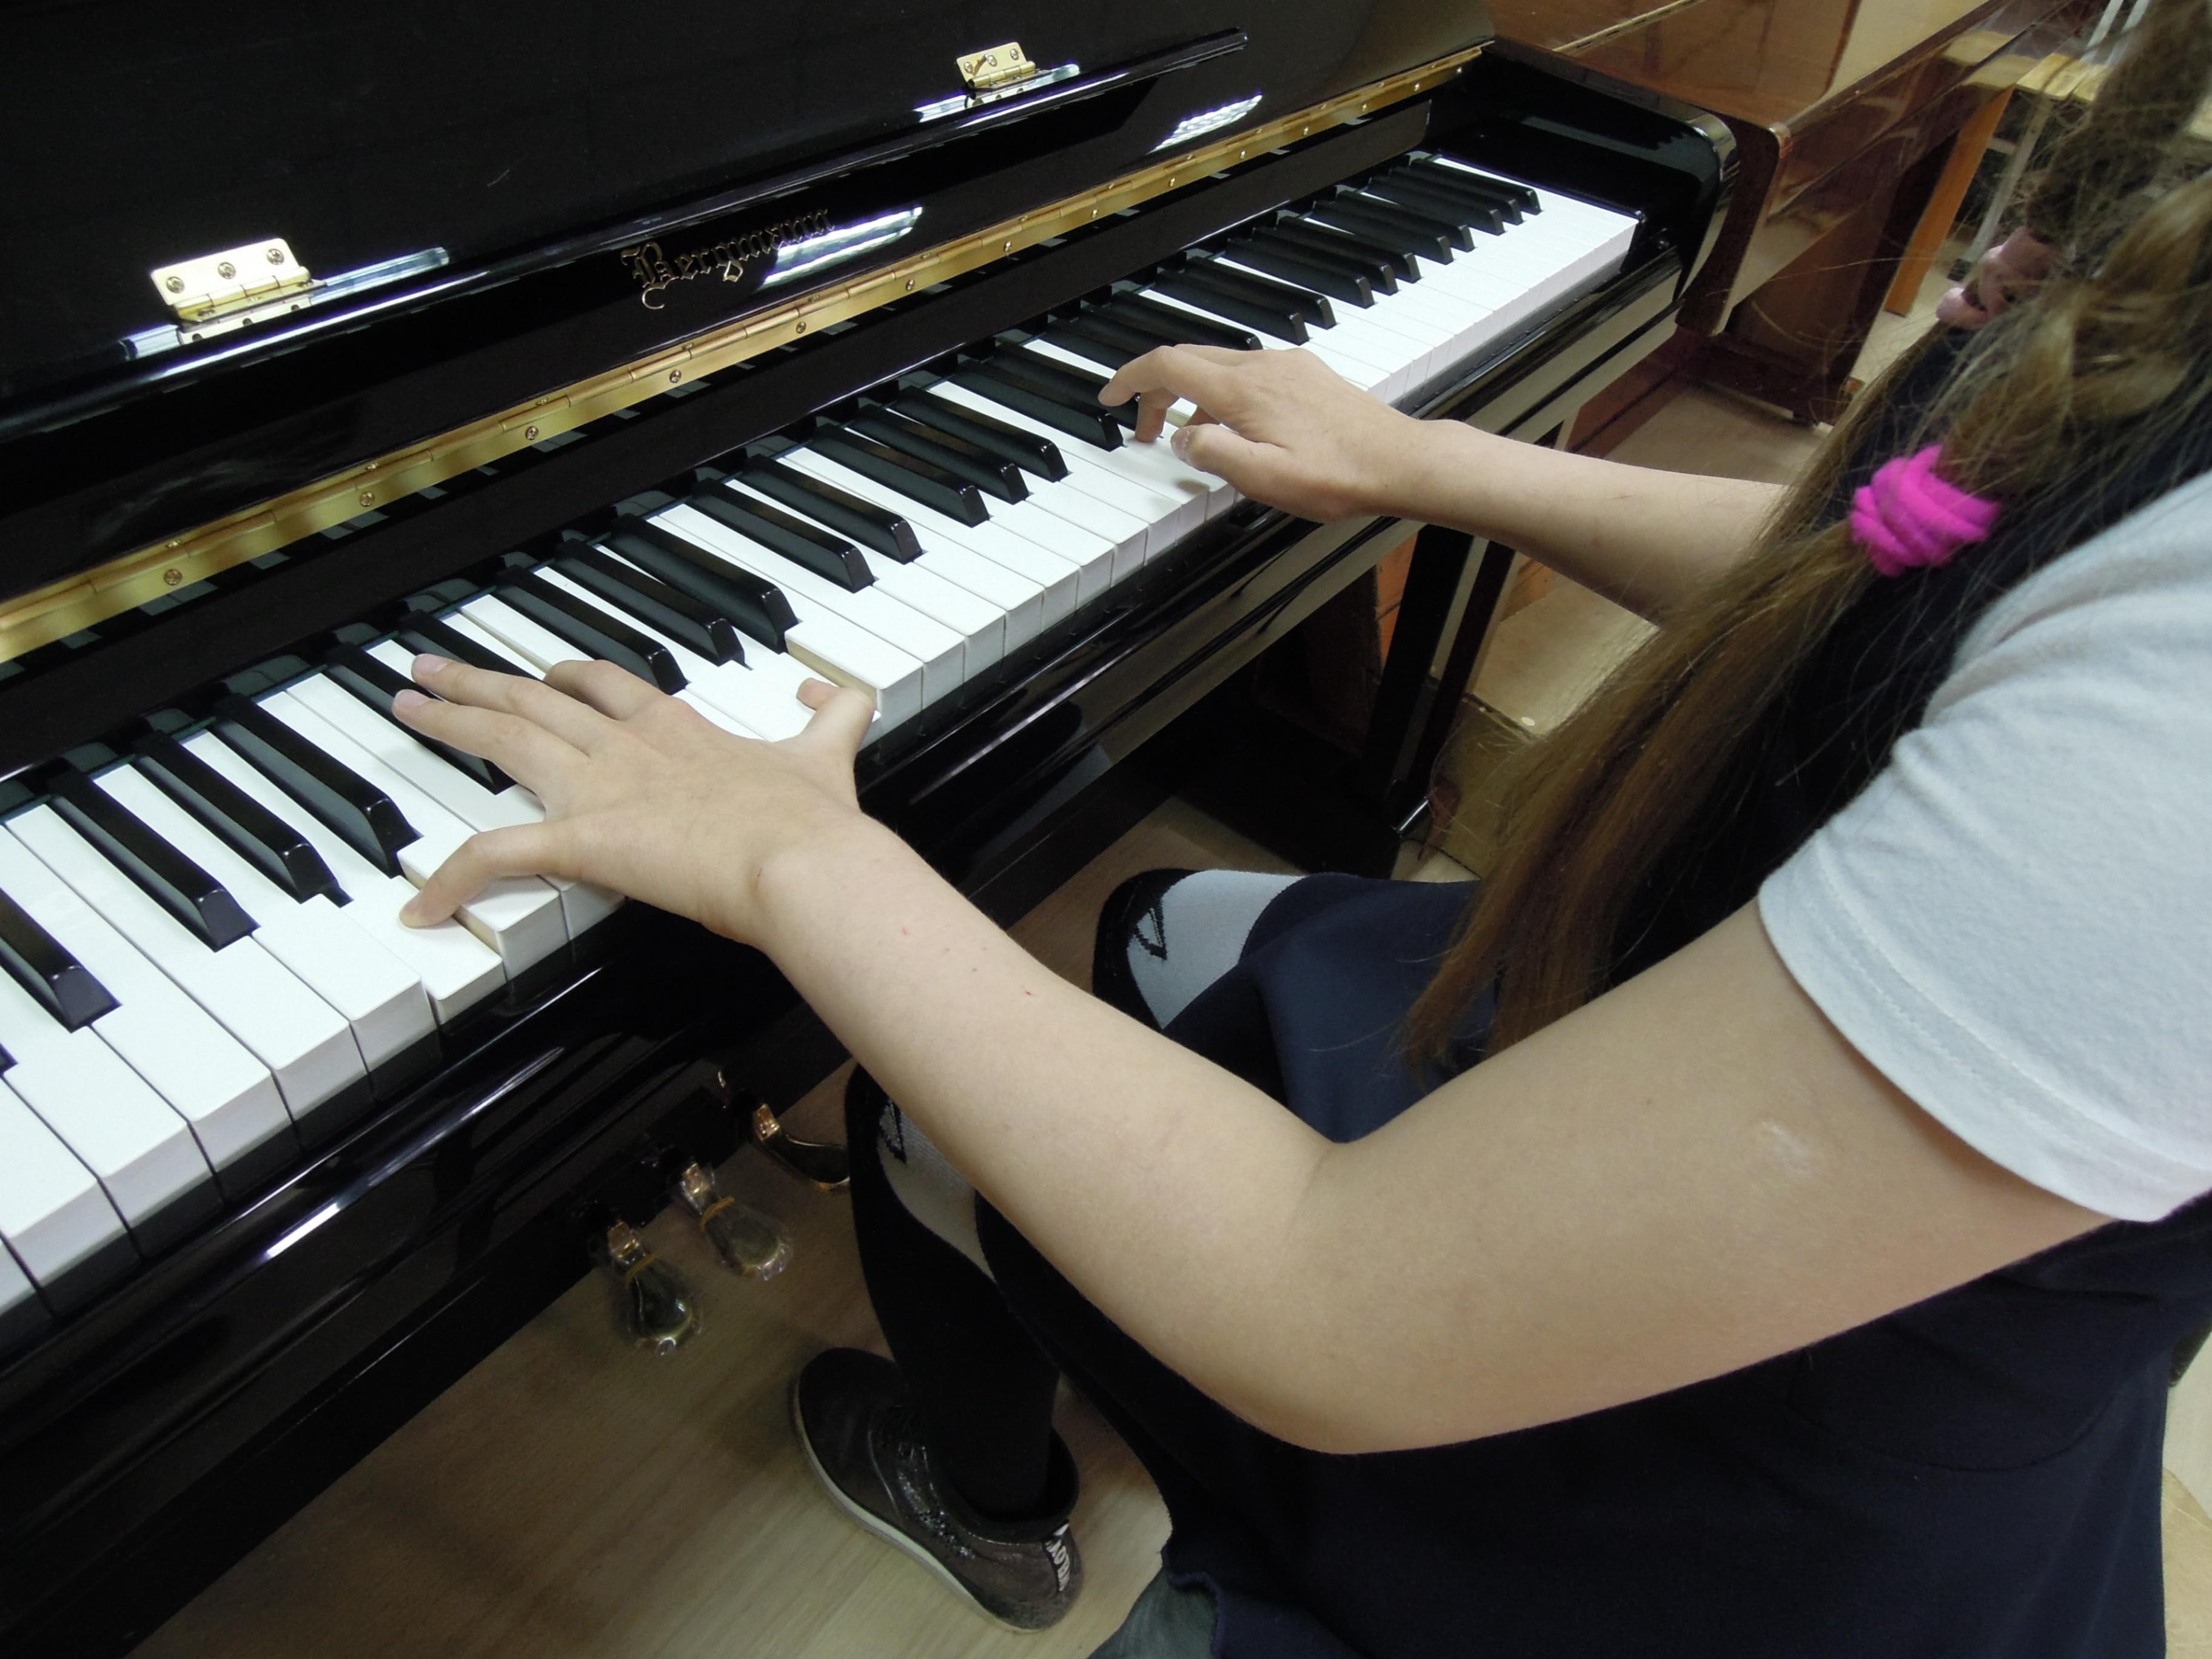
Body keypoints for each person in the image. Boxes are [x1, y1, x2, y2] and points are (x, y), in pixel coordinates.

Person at [387, 6, 2212, 1653]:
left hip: (1666, 1530)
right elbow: (1910, 584)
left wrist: (790, 852)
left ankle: (996, 1514)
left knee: (912, 1097)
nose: (1996, 282)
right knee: (1158, 926)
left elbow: (1338, 1305)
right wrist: (1422, 457)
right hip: (1717, 1136)